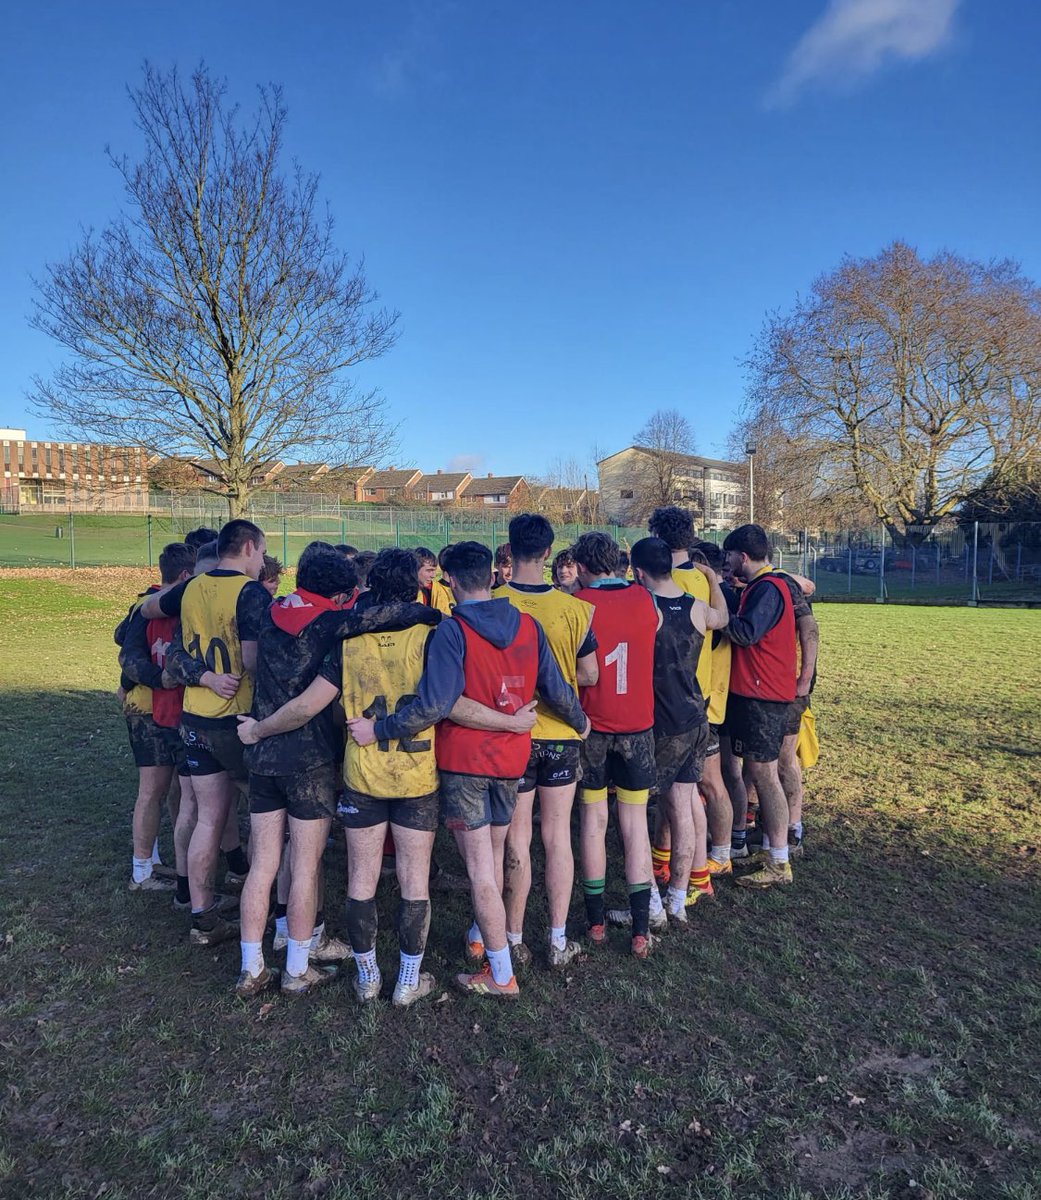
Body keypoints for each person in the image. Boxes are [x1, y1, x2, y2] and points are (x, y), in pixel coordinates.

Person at [348, 541, 588, 1001]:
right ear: (492, 576)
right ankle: (483, 937)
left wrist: (382, 729)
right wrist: (580, 721)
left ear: (452, 582)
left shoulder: (451, 631)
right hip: (512, 760)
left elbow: (437, 704)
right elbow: (556, 685)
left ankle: (500, 972)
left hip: (466, 764)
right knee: (493, 859)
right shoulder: (527, 625)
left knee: (480, 868)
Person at [141, 519, 270, 944]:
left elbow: (170, 646)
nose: (263, 562)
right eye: (262, 552)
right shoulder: (249, 592)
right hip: (237, 721)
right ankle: (278, 909)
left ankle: (202, 916)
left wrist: (204, 678)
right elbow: (252, 662)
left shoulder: (192, 587)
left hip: (194, 718)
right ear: (248, 547)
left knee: (208, 817)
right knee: (269, 816)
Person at [496, 514, 598, 968]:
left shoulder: (490, 603)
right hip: (561, 736)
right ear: (548, 552)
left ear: (510, 550)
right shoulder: (576, 610)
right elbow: (591, 674)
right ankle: (557, 941)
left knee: (515, 838)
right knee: (558, 837)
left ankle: (512, 937)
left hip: (509, 735)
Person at [629, 538, 728, 920]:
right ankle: (678, 899)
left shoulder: (643, 608)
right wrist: (712, 578)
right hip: (695, 717)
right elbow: (725, 619)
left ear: (639, 573)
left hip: (660, 724)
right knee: (682, 807)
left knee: (639, 811)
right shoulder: (697, 608)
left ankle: (652, 905)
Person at [572, 532, 660, 958]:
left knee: (593, 821)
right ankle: (641, 928)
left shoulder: (579, 606)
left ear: (584, 567)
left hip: (592, 728)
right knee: (635, 823)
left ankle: (595, 922)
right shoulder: (645, 598)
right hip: (638, 727)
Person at [720, 524, 799, 889]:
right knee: (759, 773)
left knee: (766, 776)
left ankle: (779, 860)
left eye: (730, 556)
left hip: (762, 697)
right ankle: (773, 850)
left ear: (743, 557)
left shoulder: (768, 589)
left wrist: (715, 618)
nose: (728, 562)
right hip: (760, 694)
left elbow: (746, 633)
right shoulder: (761, 586)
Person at [116, 542, 196, 894]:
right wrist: (159, 679)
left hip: (174, 710)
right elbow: (128, 659)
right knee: (152, 790)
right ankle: (142, 869)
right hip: (147, 711)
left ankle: (177, 861)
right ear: (183, 576)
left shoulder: (177, 605)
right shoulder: (145, 608)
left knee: (179, 788)